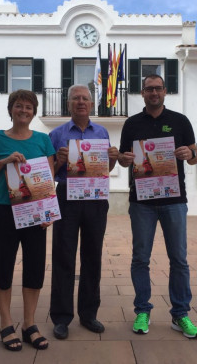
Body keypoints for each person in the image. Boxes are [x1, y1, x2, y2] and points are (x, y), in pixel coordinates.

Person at [118, 74, 197, 338]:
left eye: (158, 88)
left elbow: (195, 156)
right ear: (142, 93)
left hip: (174, 201)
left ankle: (181, 315)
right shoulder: (131, 124)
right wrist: (125, 158)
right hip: (141, 201)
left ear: (165, 91)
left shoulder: (180, 121)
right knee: (140, 258)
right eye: (148, 89)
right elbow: (122, 160)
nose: (153, 93)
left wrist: (190, 154)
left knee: (178, 259)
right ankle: (142, 310)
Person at [0, 89, 55, 351]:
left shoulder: (44, 140)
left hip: (34, 212)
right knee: (4, 266)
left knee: (34, 267)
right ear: (11, 109)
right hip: (3, 210)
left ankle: (29, 324)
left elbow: (48, 179)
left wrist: (47, 212)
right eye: (19, 106)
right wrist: (5, 161)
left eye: (29, 107)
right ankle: (6, 323)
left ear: (34, 112)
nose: (24, 111)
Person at [49, 85, 119, 339]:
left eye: (85, 99)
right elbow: (49, 174)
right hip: (66, 197)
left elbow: (106, 170)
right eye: (76, 98)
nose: (80, 102)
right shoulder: (55, 134)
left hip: (95, 199)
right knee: (63, 256)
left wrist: (112, 158)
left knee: (92, 257)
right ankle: (61, 317)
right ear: (68, 104)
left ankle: (89, 314)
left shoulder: (101, 132)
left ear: (91, 105)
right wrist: (58, 159)